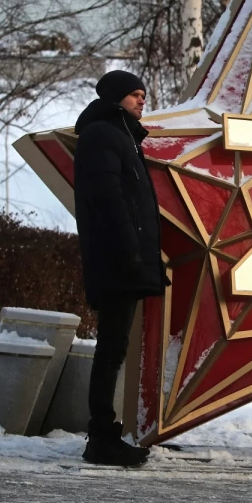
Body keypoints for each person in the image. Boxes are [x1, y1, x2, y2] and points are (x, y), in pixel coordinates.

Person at [73, 70, 166, 467]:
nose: (141, 100)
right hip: (116, 259)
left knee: (114, 348)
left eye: (143, 94)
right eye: (134, 94)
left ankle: (104, 435)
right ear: (115, 98)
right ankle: (101, 437)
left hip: (124, 258)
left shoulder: (123, 136)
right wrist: (129, 251)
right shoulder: (103, 136)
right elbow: (109, 200)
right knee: (110, 349)